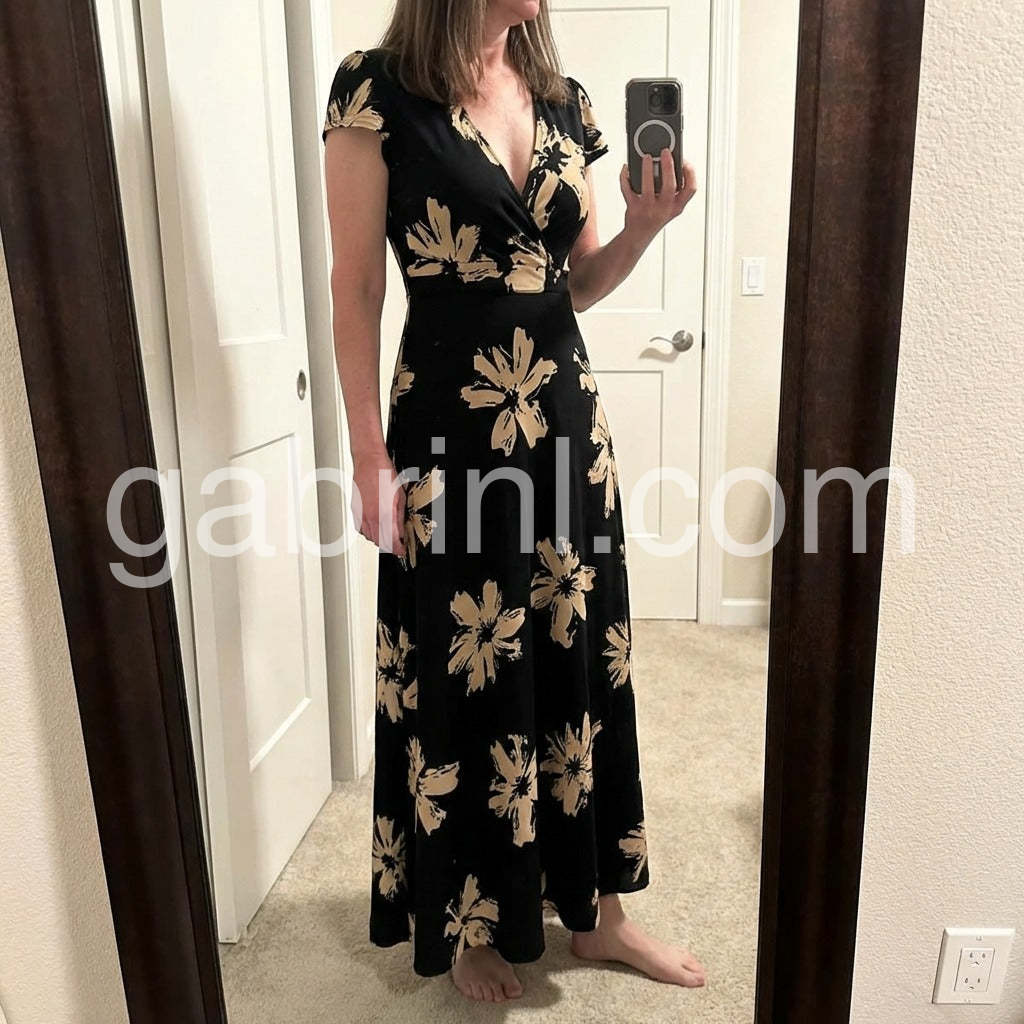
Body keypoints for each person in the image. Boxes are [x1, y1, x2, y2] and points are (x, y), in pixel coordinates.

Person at [322, 0, 701, 1003]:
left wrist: (644, 231)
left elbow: (575, 284)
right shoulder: (374, 90)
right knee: (467, 664)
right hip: (447, 430)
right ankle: (469, 920)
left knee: (580, 655)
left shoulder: (566, 101)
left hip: (565, 429)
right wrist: (366, 454)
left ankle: (600, 914)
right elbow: (356, 287)